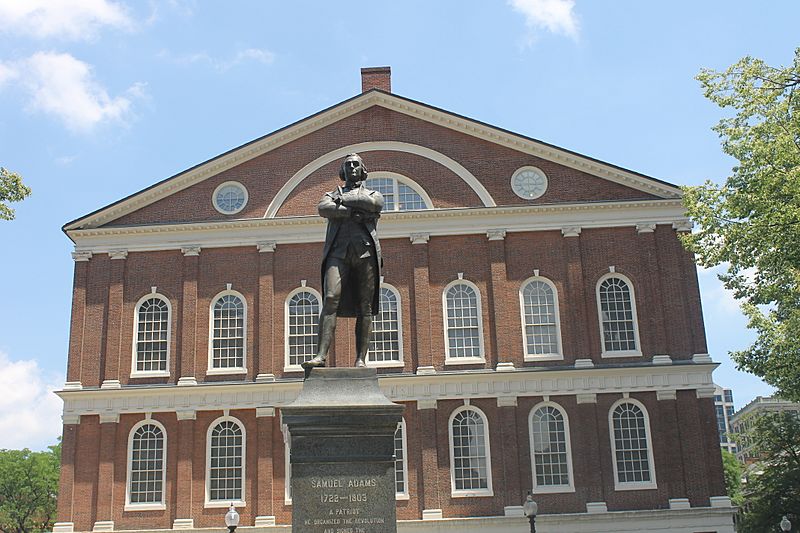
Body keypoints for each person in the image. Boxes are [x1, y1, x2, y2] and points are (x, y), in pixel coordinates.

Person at [302, 153, 384, 370]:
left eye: (356, 164)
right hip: (338, 254)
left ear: (363, 170)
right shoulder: (330, 195)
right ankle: (320, 355)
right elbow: (324, 208)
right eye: (348, 165)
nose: (352, 167)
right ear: (343, 171)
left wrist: (343, 203)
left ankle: (361, 359)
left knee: (365, 306)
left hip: (365, 254)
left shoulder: (373, 193)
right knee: (330, 298)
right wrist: (355, 212)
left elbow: (374, 204)